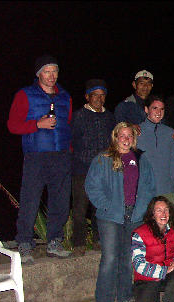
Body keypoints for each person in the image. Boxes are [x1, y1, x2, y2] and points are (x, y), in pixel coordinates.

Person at [85, 122, 156, 302]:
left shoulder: (141, 159)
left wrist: (142, 210)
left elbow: (150, 187)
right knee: (109, 259)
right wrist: (107, 205)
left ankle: (125, 295)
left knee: (127, 258)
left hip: (134, 215)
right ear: (115, 138)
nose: (126, 140)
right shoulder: (103, 159)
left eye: (129, 136)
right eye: (122, 136)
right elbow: (92, 186)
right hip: (110, 216)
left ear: (134, 139)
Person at [7, 54, 73, 264]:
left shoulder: (65, 97)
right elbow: (12, 125)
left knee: (60, 200)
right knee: (30, 199)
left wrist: (69, 150)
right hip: (36, 155)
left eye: (55, 71)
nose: (52, 75)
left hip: (61, 156)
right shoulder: (25, 95)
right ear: (38, 74)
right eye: (47, 71)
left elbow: (67, 125)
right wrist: (37, 124)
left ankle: (55, 241)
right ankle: (25, 243)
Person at [70, 78, 115, 255]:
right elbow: (72, 141)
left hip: (103, 170)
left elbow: (114, 142)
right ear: (87, 96)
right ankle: (79, 244)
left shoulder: (110, 117)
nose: (99, 99)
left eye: (102, 95)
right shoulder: (78, 116)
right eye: (95, 95)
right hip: (82, 169)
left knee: (101, 208)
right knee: (80, 207)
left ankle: (98, 240)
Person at [131, 196, 174, 302]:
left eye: (166, 210)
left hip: (167, 275)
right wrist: (164, 270)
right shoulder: (139, 234)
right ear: (152, 214)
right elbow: (138, 264)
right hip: (146, 278)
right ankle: (151, 300)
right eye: (159, 210)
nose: (163, 214)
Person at [137, 95, 174, 203]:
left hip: (166, 190)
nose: (159, 112)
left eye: (162, 109)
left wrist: (172, 187)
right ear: (146, 109)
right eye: (155, 108)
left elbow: (173, 162)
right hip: (143, 191)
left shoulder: (170, 133)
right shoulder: (136, 132)